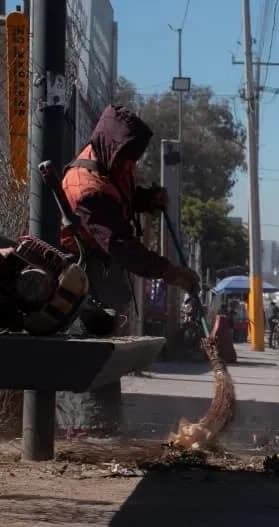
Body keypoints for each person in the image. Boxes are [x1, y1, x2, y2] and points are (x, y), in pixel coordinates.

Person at [56, 105, 201, 436]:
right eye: (126, 157)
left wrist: (146, 200)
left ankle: (104, 425)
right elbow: (120, 245)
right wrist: (168, 271)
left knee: (104, 351)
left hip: (100, 269)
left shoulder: (108, 159)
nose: (129, 164)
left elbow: (119, 194)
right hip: (80, 276)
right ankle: (87, 431)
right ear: (110, 144)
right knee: (89, 352)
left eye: (133, 157)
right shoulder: (86, 189)